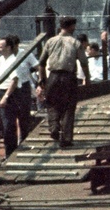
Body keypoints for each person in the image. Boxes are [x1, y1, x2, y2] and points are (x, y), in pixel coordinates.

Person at [37, 17, 92, 147]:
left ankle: (54, 127)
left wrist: (42, 78)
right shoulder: (75, 43)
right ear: (72, 26)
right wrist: (87, 78)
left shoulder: (50, 41)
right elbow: (84, 62)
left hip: (53, 76)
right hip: (69, 77)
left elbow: (41, 63)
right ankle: (66, 138)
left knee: (51, 103)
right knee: (68, 107)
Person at [0, 36, 32, 156]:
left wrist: (6, 96)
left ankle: (11, 151)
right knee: (5, 123)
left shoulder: (14, 60)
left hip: (11, 93)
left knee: (9, 124)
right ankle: (9, 151)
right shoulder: (2, 58)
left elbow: (14, 80)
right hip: (0, 90)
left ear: (8, 47)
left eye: (0, 47)